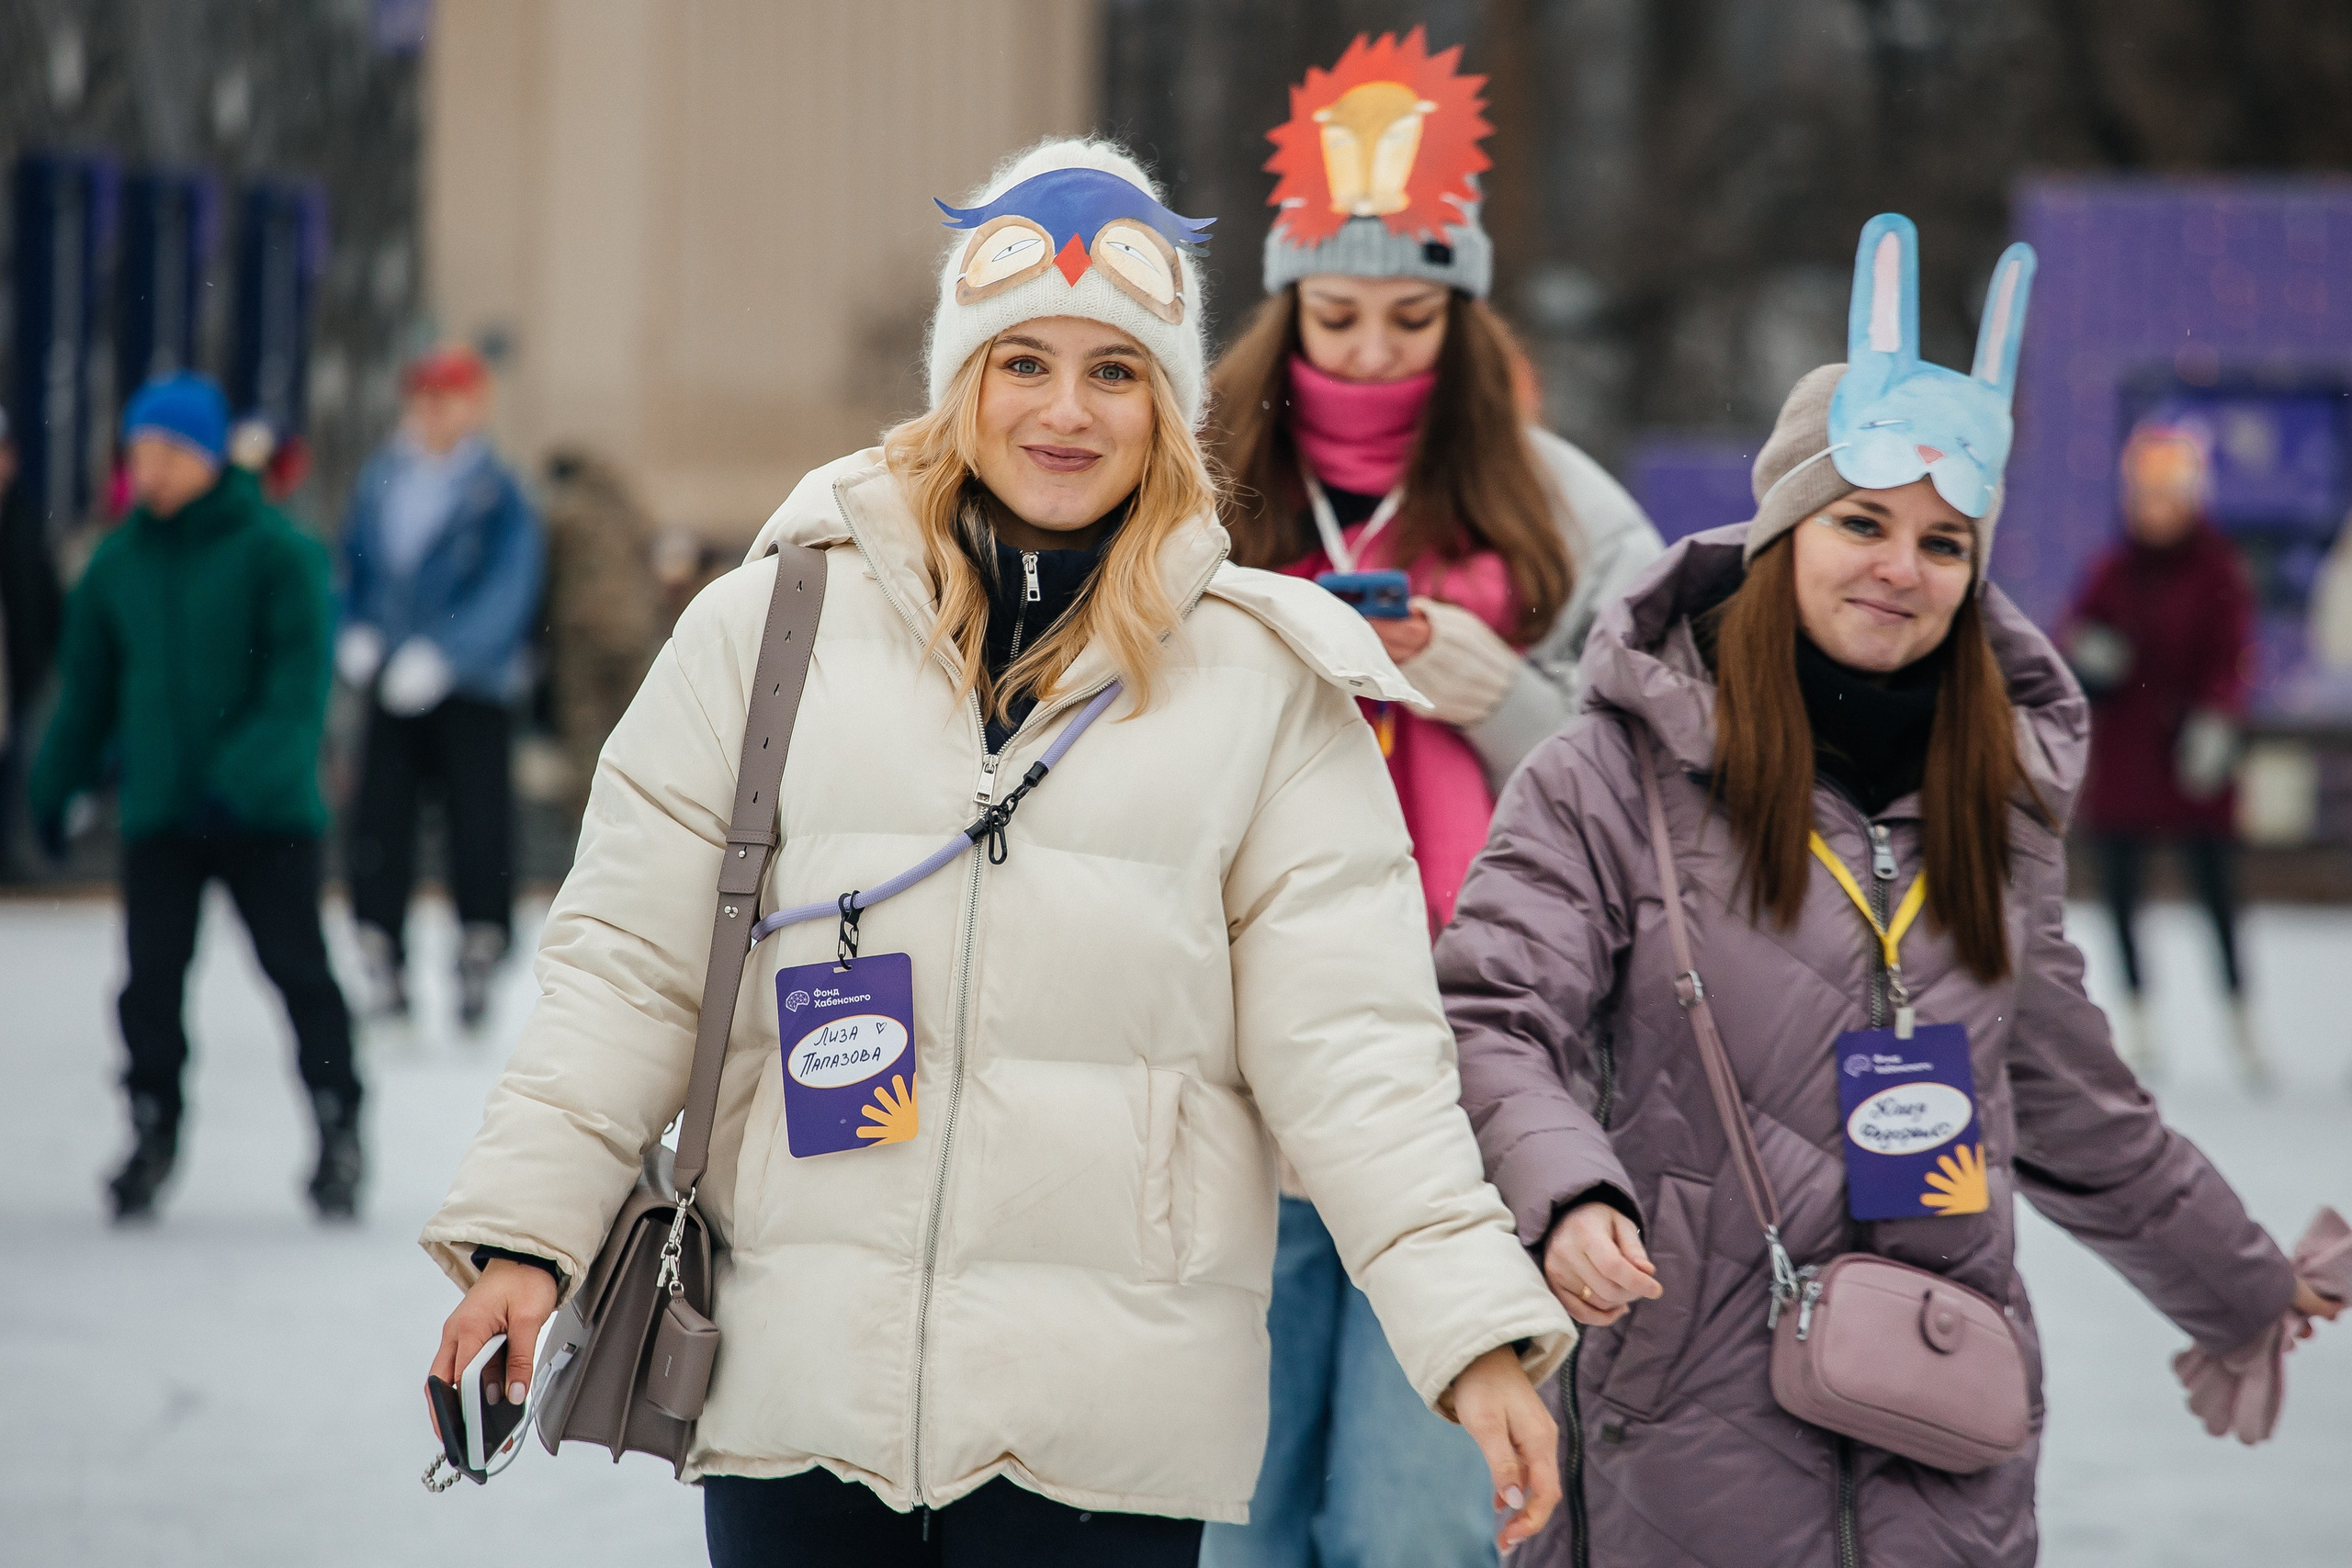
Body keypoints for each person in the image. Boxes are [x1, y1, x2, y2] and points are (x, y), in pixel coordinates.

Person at [418, 139, 1573, 1568]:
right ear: (960, 379)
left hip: (1105, 1417)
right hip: (800, 1385)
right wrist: (527, 1232)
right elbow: (629, 971)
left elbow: (1359, 1051)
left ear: (1168, 399)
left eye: (1116, 370)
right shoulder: (770, 627)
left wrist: (1472, 1332)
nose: (1066, 412)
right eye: (1023, 361)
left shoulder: (1267, 686)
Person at [1438, 217, 2340, 1568]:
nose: (1897, 567)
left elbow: (2081, 1106)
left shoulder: (1994, 799)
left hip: (1941, 1437)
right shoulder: (1609, 769)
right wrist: (1566, 1195)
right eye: (1862, 520)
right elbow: (1493, 1011)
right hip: (1687, 1428)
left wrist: (2243, 1284)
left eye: (1943, 540)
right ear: (1784, 526)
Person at [1197, 31, 1661, 1568]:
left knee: (1415, 1536)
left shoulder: (1563, 500)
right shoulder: (1189, 484)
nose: (1377, 350)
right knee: (1230, 1525)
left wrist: (1503, 693)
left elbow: (1673, 785)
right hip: (1230, 1072)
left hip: (1469, 1078)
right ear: (1287, 307)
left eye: (1416, 316)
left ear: (1465, 319)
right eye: (1338, 314)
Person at [30, 372, 360, 1222]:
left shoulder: (277, 552)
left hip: (266, 815)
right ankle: (151, 1125)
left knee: (298, 972)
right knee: (149, 983)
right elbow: (87, 694)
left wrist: (240, 778)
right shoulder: (117, 564)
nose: (154, 471)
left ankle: (337, 1124)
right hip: (163, 815)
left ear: (212, 455)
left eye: (172, 452)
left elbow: (297, 692)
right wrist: (52, 785)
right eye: (141, 452)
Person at [336, 344, 543, 1027]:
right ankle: (379, 943)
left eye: (446, 397)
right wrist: (357, 629)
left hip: (472, 686)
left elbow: (510, 587)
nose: (431, 411)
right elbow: (354, 564)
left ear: (473, 403)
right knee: (381, 818)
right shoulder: (381, 478)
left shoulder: (498, 489)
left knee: (478, 822)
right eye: (422, 397)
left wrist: (448, 655)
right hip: (393, 681)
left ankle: (479, 944)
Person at [2064, 424, 2261, 1082]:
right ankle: (2141, 1023)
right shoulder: (2111, 569)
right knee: (2120, 895)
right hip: (2125, 760)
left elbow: (2231, 655)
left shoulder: (2217, 568)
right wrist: (2091, 654)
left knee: (2218, 894)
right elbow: (2072, 636)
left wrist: (2216, 716)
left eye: (2167, 496)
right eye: (2145, 496)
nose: (2155, 510)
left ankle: (2241, 1022)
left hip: (2192, 761)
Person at [537, 446, 664, 828]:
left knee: (583, 722)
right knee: (635, 721)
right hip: (634, 627)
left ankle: (587, 813)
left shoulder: (566, 510)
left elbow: (547, 568)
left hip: (583, 629)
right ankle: (639, 811)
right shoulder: (629, 506)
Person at [0, 402, 66, 879]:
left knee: (13, 768)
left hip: (15, 674)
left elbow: (44, 593)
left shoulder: (23, 518)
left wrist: (43, 656)